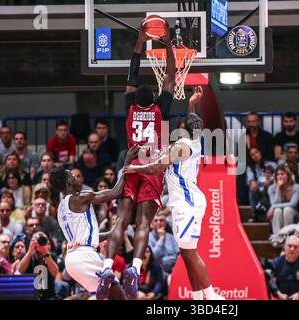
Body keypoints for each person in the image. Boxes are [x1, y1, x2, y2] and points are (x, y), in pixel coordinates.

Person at [103, 21, 175, 300]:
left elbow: (132, 71)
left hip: (131, 164)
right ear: (154, 99)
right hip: (151, 167)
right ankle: (134, 268)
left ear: (135, 98)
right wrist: (167, 43)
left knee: (122, 219)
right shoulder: (162, 109)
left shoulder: (129, 107)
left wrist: (139, 42)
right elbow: (170, 75)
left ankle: (108, 268)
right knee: (144, 223)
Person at [124, 108, 225, 300]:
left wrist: (135, 168)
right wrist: (193, 106)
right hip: (185, 203)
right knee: (186, 254)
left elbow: (156, 167)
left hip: (187, 204)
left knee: (191, 254)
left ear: (182, 129)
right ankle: (197, 297)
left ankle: (212, 297)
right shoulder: (194, 141)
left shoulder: (182, 145)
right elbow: (193, 122)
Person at [48, 146, 138, 300]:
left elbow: (86, 236)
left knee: (112, 295)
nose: (76, 179)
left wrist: (110, 234)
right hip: (84, 256)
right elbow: (116, 192)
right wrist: (126, 163)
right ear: (68, 181)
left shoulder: (61, 208)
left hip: (72, 260)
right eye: (73, 176)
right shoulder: (80, 197)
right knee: (119, 296)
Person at [268, 236, 299, 300]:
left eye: (295, 247)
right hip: (280, 296)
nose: (292, 249)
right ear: (284, 247)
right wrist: (279, 294)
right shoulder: (276, 263)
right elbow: (271, 283)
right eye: (290, 246)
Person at [17, 231, 58, 299]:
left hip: (49, 296)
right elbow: (21, 270)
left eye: (43, 240)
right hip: (30, 296)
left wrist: (46, 253)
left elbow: (54, 273)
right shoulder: (27, 257)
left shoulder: (51, 256)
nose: (41, 243)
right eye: (39, 240)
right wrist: (30, 251)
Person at [266, 165, 299, 236]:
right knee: (277, 210)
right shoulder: (271, 188)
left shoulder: (296, 187)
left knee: (287, 209)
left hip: (292, 212)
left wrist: (273, 207)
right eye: (278, 174)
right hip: (277, 214)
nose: (280, 176)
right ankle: (277, 236)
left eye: (282, 174)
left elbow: (293, 204)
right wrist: (278, 188)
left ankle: (286, 235)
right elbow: (274, 203)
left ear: (288, 175)